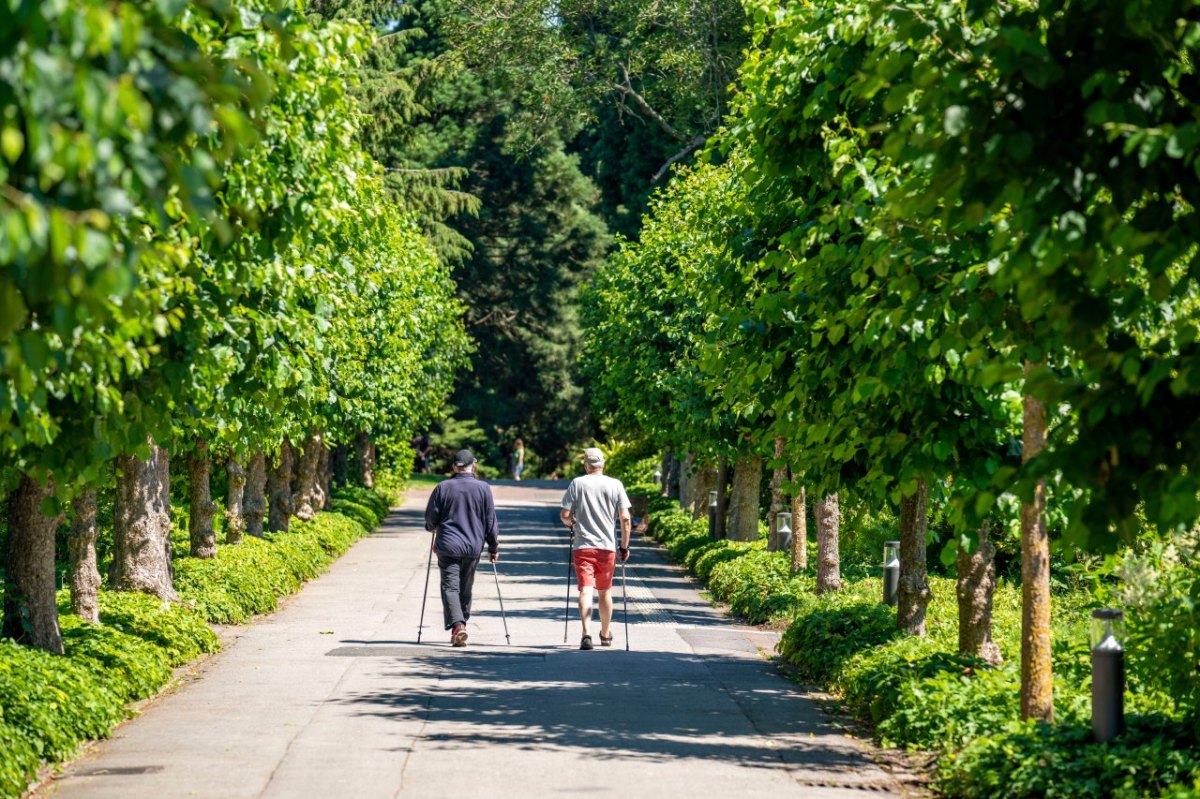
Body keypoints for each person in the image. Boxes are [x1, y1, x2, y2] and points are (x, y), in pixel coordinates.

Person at [424, 449, 499, 646]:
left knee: (450, 587)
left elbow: (431, 518)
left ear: (454, 466)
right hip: (473, 545)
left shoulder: (443, 487)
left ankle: (458, 626)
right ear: (473, 466)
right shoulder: (483, 488)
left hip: (448, 544)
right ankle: (460, 624)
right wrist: (493, 546)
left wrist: (431, 527)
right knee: (465, 587)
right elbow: (490, 521)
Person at [559, 447, 631, 650]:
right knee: (605, 592)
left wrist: (572, 523)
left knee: (586, 590)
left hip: (583, 546)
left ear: (586, 465)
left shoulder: (577, 483)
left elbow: (565, 515)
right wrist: (624, 546)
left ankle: (586, 633)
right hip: (607, 547)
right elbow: (625, 518)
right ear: (603, 465)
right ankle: (606, 634)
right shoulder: (615, 485)